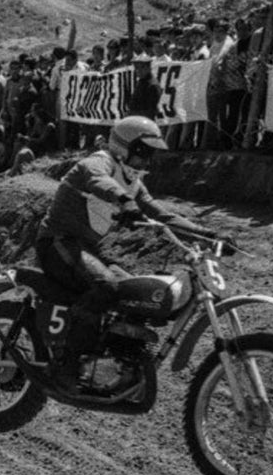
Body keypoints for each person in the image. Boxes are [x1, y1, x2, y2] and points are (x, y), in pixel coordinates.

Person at [34, 116, 224, 398]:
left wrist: (207, 234)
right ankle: (65, 367)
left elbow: (161, 213)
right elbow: (98, 180)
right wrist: (124, 201)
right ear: (123, 147)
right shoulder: (99, 162)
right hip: (58, 243)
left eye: (150, 154)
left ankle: (115, 360)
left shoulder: (133, 182)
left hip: (86, 249)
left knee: (129, 290)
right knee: (105, 286)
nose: (146, 160)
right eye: (143, 152)